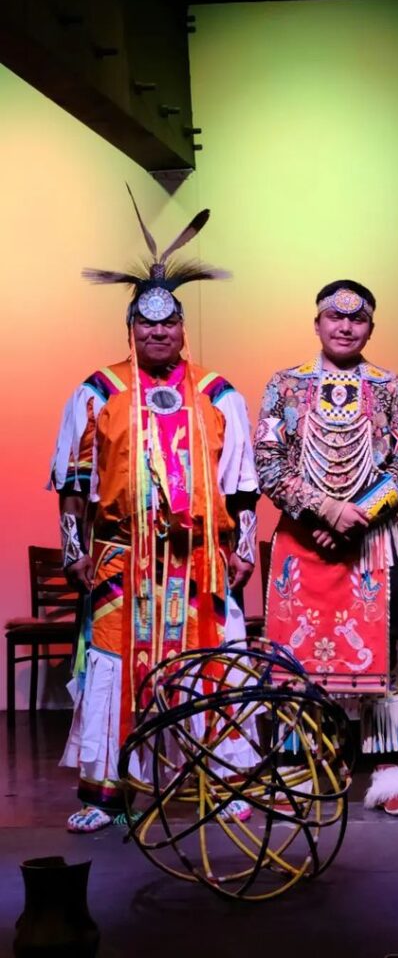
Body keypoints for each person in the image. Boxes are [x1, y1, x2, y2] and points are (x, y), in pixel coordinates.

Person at [51, 195, 258, 833]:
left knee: (213, 664)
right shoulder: (98, 391)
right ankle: (106, 795)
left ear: (183, 330)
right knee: (115, 669)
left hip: (201, 562)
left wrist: (244, 547)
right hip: (121, 561)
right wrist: (73, 552)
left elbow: (242, 487)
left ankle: (224, 781)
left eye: (169, 326)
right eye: (147, 326)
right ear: (131, 329)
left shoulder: (218, 393)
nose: (159, 335)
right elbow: (73, 482)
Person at [257, 279, 398, 817]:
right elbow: (268, 463)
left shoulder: (389, 386)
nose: (345, 327)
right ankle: (298, 766)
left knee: (381, 657)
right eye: (335, 316)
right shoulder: (285, 385)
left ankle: (388, 770)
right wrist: (327, 511)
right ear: (317, 323)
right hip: (302, 542)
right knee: (296, 656)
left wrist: (355, 517)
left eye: (357, 320)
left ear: (370, 327)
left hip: (372, 542)